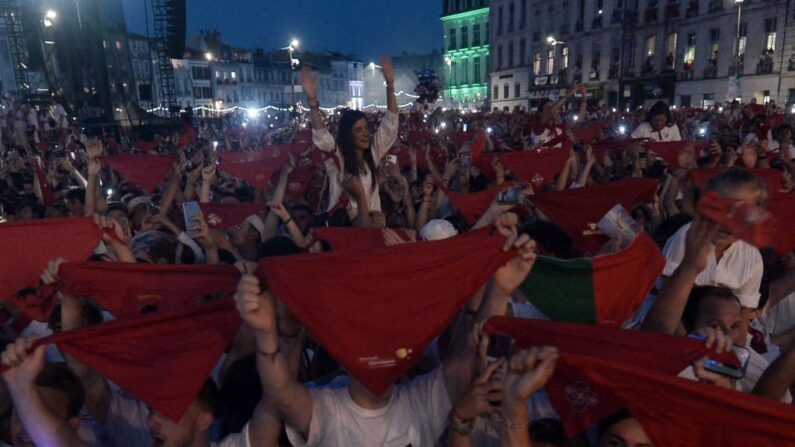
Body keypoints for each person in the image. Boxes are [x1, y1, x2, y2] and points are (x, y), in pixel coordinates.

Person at [233, 213, 537, 446]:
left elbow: (467, 355)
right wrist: (265, 333)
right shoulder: (327, 408)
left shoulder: (420, 401)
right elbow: (281, 394)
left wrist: (500, 290)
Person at [301, 57, 398, 227]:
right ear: (347, 135)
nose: (365, 134)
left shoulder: (372, 155)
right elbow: (322, 136)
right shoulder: (338, 159)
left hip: (372, 228)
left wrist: (390, 86)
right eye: (358, 130)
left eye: (366, 128)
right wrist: (312, 103)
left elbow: (389, 125)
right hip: (344, 228)